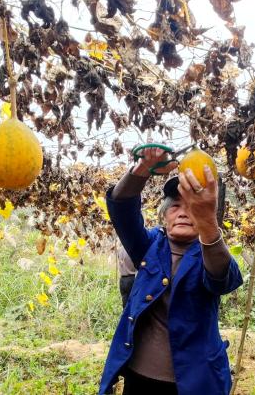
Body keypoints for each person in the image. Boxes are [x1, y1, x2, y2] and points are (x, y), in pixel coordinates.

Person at [99, 146, 243, 394]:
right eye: (175, 206)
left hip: (192, 384)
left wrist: (208, 223)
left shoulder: (210, 251)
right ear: (164, 216)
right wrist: (141, 169)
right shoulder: (149, 246)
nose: (184, 212)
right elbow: (121, 208)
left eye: (194, 207)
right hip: (139, 378)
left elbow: (223, 279)